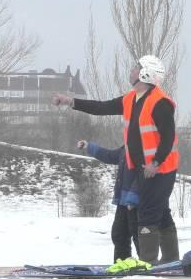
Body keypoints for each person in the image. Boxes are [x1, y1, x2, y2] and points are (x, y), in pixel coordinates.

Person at [52, 55, 179, 265]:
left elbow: (168, 138)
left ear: (146, 73)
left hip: (161, 170)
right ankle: (171, 261)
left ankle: (149, 262)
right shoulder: (131, 98)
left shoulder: (160, 103)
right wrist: (70, 102)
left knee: (148, 214)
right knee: (161, 212)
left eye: (136, 67)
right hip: (141, 169)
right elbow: (101, 108)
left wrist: (155, 163)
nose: (131, 70)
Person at [77, 140, 139, 261]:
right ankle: (122, 263)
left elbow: (143, 176)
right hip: (124, 200)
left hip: (136, 201)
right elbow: (109, 156)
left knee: (139, 236)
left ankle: (148, 265)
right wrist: (89, 146)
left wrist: (133, 197)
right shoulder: (126, 148)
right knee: (119, 234)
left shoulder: (143, 148)